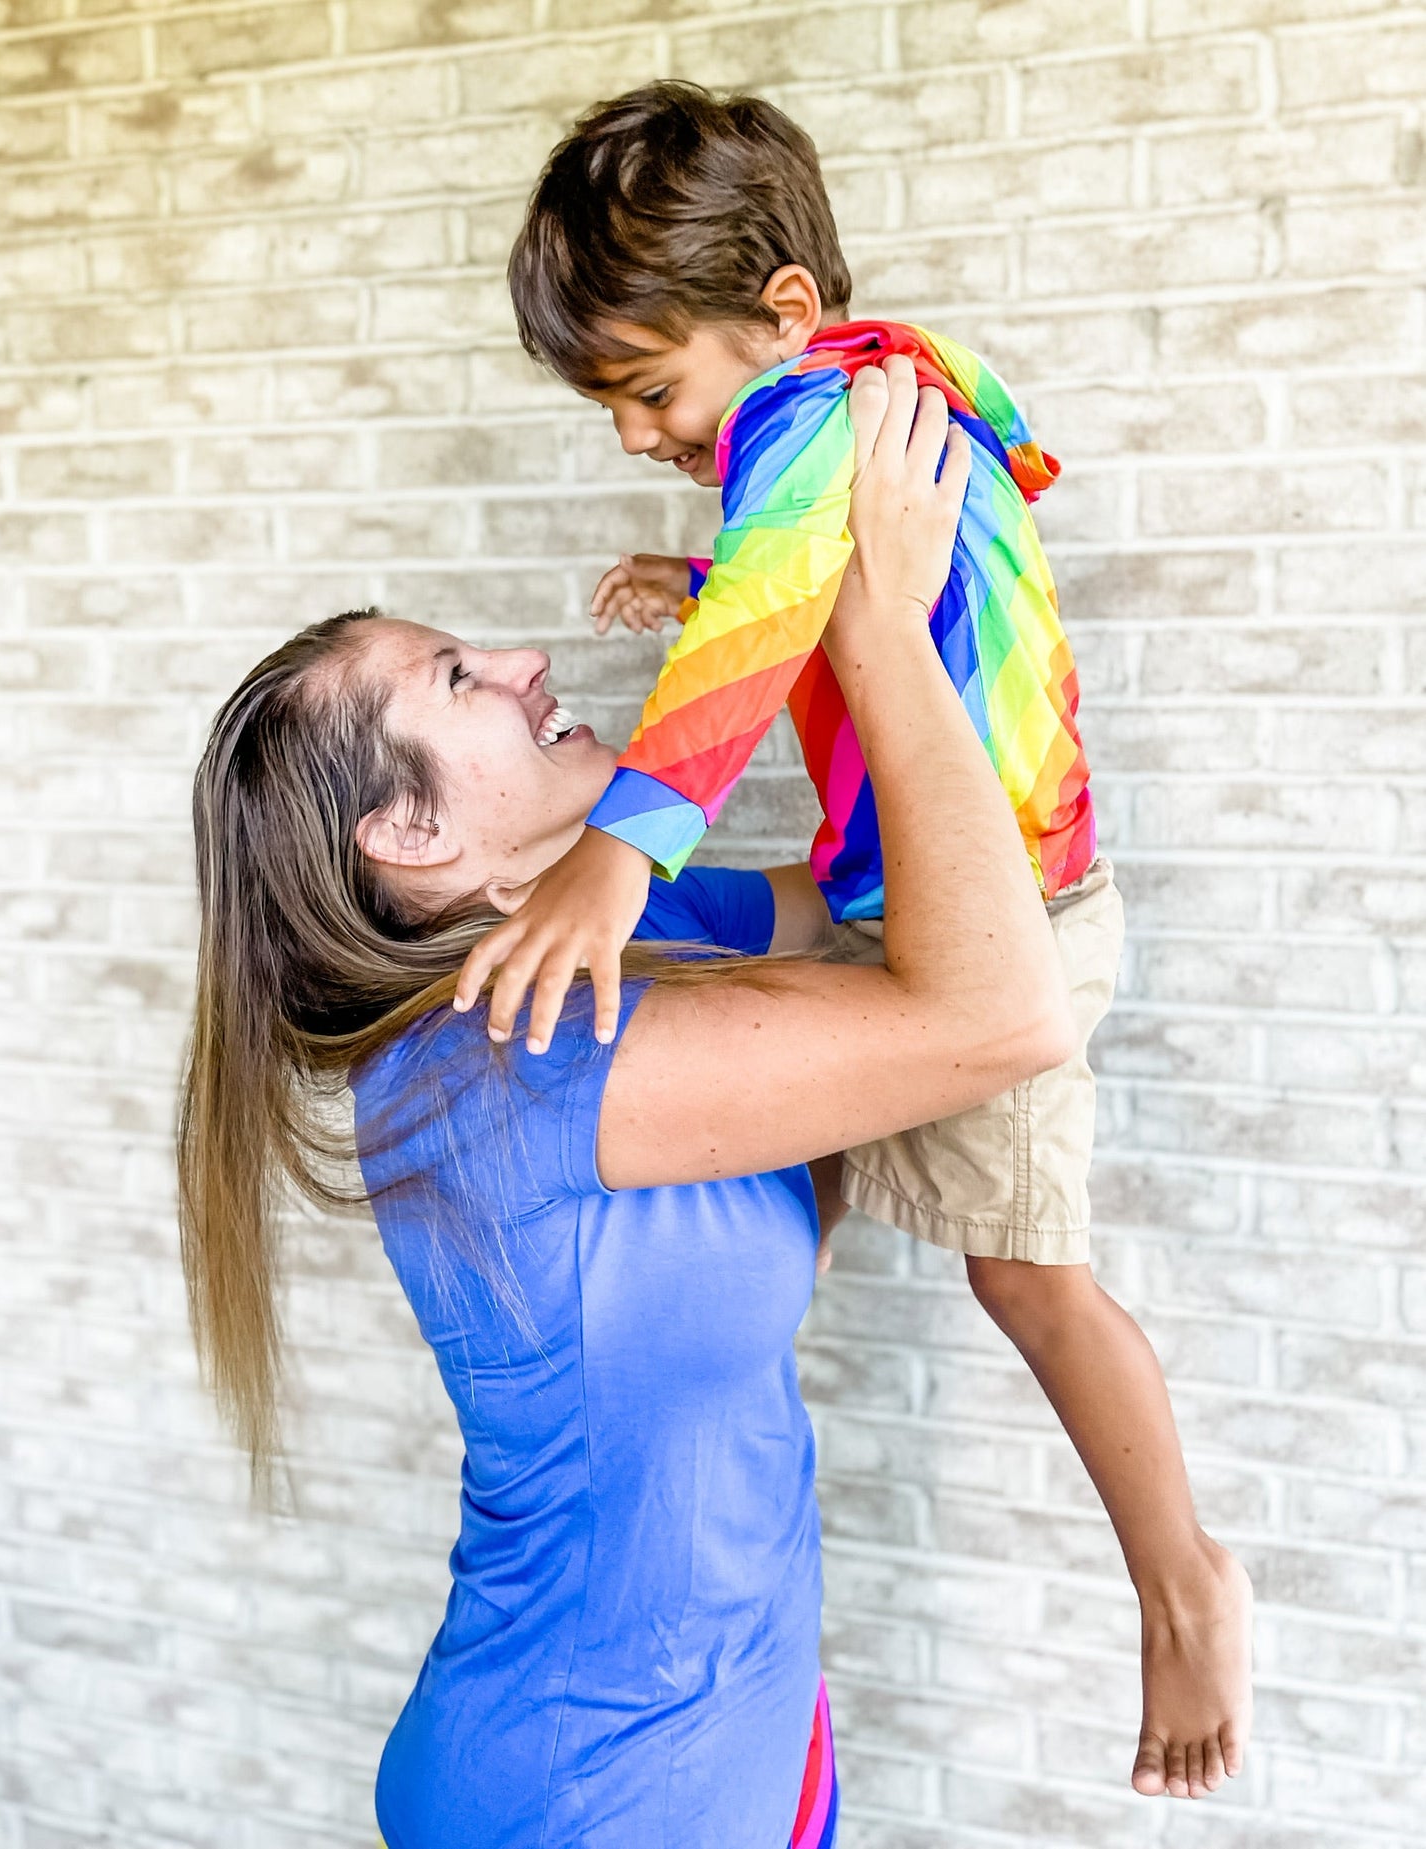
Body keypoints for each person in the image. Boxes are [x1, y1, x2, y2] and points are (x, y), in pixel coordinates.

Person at [457, 80, 1254, 1803]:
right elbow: (917, 542)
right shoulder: (866, 393)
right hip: (934, 896)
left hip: (1006, 917)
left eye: (649, 391)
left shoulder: (813, 419)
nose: (632, 437)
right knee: (781, 1166)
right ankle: (714, 1543)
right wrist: (732, 578)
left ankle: (1183, 1582)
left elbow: (768, 634)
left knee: (1023, 1272)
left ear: (783, 317)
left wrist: (614, 854)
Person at [177, 366, 1074, 1847]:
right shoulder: (514, 1056)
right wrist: (881, 642)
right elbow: (999, 1008)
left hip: (736, 1727)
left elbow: (878, 913)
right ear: (407, 828)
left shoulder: (603, 944)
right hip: (595, 1791)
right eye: (459, 677)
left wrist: (804, 597)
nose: (528, 658)